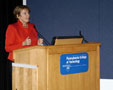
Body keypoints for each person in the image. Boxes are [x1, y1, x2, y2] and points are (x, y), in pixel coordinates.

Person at [5, 5, 43, 90]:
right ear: (18, 16)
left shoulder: (32, 27)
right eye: (24, 13)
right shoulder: (12, 28)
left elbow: (32, 45)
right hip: (17, 62)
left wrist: (38, 43)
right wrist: (23, 43)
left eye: (28, 13)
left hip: (31, 61)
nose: (28, 15)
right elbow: (7, 48)